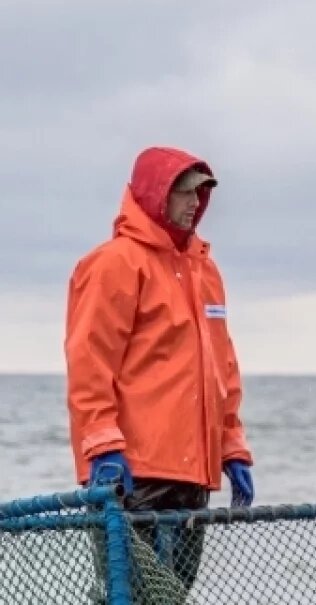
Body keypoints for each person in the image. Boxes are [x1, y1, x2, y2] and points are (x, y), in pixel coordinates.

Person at [64, 146, 255, 598]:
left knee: (172, 595)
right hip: (132, 473)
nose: (195, 203)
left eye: (201, 193)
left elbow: (221, 367)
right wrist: (103, 446)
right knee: (129, 595)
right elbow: (90, 361)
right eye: (185, 192)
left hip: (192, 477)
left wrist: (231, 447)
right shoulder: (114, 263)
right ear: (157, 194)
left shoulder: (205, 270)